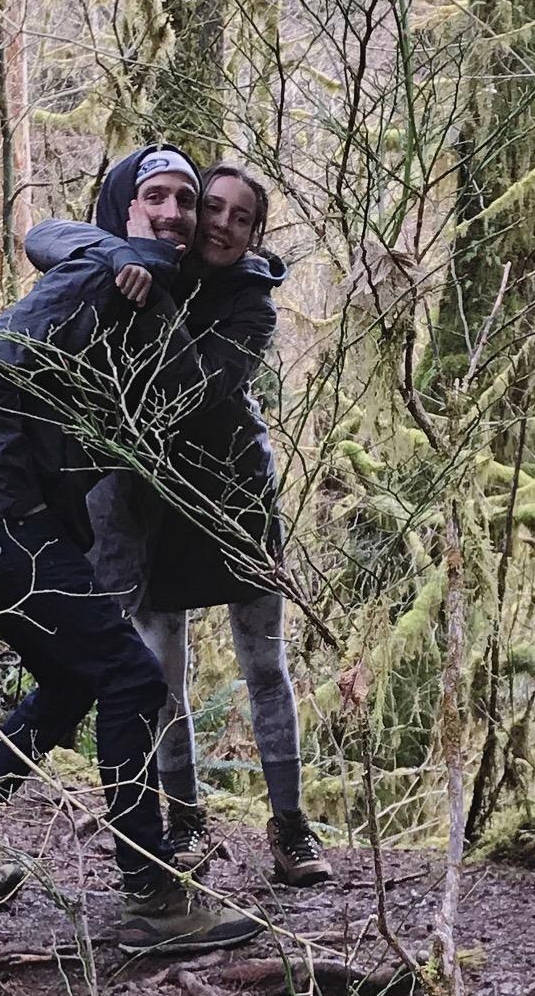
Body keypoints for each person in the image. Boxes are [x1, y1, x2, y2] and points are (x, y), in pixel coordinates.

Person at [0, 144, 266, 956]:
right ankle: (152, 896)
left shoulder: (144, 288)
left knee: (72, 684)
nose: (174, 213)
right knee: (133, 679)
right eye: (155, 197)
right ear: (123, 206)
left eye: (186, 199)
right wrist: (21, 498)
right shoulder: (101, 274)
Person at [24, 159, 333, 888]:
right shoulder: (148, 261)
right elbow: (42, 236)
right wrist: (121, 256)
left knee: (265, 665)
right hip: (153, 504)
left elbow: (193, 390)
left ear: (255, 233)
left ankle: (290, 826)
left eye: (240, 217)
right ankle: (185, 819)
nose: (220, 224)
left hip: (235, 499)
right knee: (163, 671)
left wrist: (154, 293)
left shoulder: (252, 305)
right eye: (211, 208)